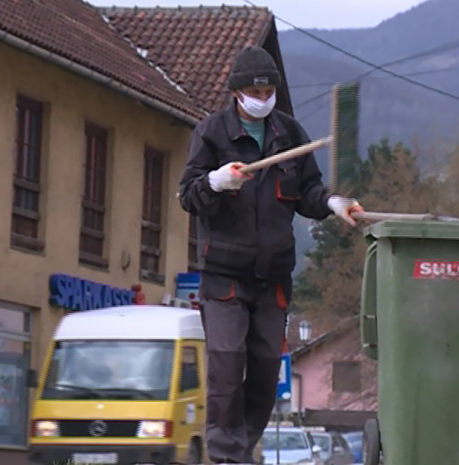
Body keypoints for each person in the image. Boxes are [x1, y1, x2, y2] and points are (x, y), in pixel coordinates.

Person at [179, 46, 363, 464]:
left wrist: (334, 203)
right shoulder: (211, 134)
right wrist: (214, 182)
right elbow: (188, 196)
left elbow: (309, 191)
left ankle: (241, 448)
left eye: (268, 88)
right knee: (226, 369)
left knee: (264, 374)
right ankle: (227, 457)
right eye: (255, 89)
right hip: (224, 276)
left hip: (273, 279)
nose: (262, 96)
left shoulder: (290, 134)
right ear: (237, 91)